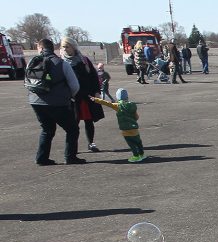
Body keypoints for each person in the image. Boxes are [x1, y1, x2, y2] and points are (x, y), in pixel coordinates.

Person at [27, 38, 82, 166]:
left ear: (40, 48)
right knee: (72, 129)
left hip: (36, 101)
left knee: (47, 129)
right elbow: (75, 86)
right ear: (53, 49)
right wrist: (69, 97)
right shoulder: (62, 64)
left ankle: (41, 158)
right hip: (58, 103)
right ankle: (70, 157)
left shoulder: (32, 62)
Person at [61, 37, 105, 154]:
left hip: (86, 95)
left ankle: (91, 143)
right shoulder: (62, 62)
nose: (65, 49)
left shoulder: (84, 60)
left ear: (73, 47)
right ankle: (72, 147)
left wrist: (97, 91)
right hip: (72, 97)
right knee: (73, 123)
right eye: (63, 47)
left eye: (67, 46)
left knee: (88, 120)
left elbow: (93, 76)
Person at [90, 88, 146, 162]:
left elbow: (106, 103)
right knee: (138, 141)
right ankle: (142, 154)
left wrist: (96, 99)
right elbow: (137, 117)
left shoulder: (118, 105)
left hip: (125, 129)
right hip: (134, 128)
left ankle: (136, 156)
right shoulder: (132, 105)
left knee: (131, 143)